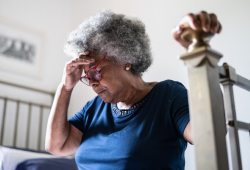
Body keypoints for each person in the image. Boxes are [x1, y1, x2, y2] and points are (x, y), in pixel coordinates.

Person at [45, 10, 222, 170]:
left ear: (125, 59)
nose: (91, 83)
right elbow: (57, 146)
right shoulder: (94, 108)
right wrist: (65, 87)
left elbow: (208, 134)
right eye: (86, 76)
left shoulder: (168, 95)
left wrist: (196, 50)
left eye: (96, 72)